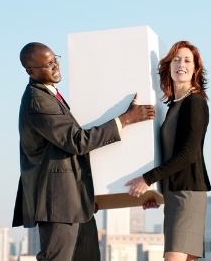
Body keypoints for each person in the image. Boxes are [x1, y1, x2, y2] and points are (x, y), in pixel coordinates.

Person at [11, 42, 156, 261]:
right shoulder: (38, 101)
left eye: (55, 59)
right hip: (57, 204)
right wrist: (126, 119)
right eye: (48, 64)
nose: (55, 66)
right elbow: (77, 141)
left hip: (75, 202)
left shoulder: (50, 95)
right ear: (30, 71)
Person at [125, 40, 211, 261]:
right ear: (168, 67)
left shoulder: (195, 102)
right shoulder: (174, 105)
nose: (180, 64)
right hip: (174, 195)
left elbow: (187, 155)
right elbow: (167, 155)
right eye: (175, 59)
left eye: (187, 60)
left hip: (187, 195)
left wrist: (147, 179)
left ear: (195, 69)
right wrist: (156, 192)